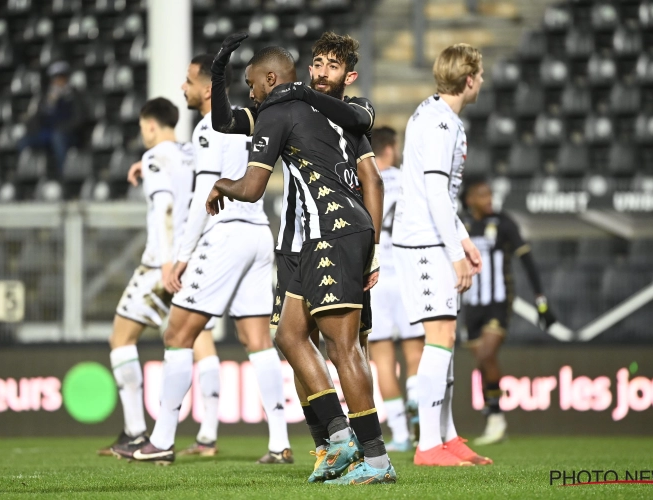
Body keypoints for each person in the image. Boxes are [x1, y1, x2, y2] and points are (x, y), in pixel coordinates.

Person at [207, 38, 396, 484]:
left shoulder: (343, 112)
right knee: (291, 338)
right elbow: (225, 121)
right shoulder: (286, 108)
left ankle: (373, 455)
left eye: (253, 85)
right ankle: (334, 439)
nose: (321, 71)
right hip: (304, 240)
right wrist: (219, 76)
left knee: (343, 347)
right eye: (317, 64)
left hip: (335, 232)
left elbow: (254, 188)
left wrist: (374, 248)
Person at [113, 54, 292, 466]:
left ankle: (160, 439)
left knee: (177, 335)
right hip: (258, 233)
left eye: (188, 81)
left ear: (207, 88)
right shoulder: (252, 120)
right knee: (257, 341)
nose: (183, 88)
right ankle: (280, 441)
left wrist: (180, 256)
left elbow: (200, 195)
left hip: (224, 234)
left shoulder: (210, 124)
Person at [392, 43, 491, 467]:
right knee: (439, 340)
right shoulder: (440, 125)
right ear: (469, 80)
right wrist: (454, 253)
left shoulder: (435, 114)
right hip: (423, 242)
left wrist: (463, 238)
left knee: (445, 340)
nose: (482, 82)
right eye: (480, 75)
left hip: (432, 237)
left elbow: (443, 196)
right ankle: (428, 445)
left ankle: (447, 436)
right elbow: (434, 192)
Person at [98, 97, 194, 456]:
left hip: (160, 265)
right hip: (190, 261)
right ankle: (180, 434)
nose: (143, 134)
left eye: (142, 128)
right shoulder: (189, 153)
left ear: (151, 126)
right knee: (185, 342)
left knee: (121, 340)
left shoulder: (156, 157)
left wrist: (166, 262)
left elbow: (165, 208)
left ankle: (137, 431)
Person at [460, 176, 556, 445]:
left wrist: (541, 301)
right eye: (482, 195)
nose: (488, 199)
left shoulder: (503, 223)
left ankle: (496, 419)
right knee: (482, 362)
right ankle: (492, 417)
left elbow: (527, 260)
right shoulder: (460, 226)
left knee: (488, 354)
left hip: (498, 302)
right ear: (469, 200)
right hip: (471, 305)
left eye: (490, 194)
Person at [367, 127, 424, 452]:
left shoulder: (363, 181)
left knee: (384, 360)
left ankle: (400, 434)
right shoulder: (408, 181)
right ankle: (417, 401)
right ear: (390, 148)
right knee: (415, 352)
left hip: (375, 277)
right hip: (407, 274)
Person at [17, 61, 85, 175]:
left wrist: (64, 128)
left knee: (57, 138)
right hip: (47, 132)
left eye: (61, 76)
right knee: (23, 142)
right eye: (55, 77)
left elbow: (79, 118)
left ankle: (63, 174)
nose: (58, 80)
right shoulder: (46, 96)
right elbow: (38, 116)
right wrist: (50, 102)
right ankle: (25, 174)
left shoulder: (74, 95)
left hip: (67, 133)